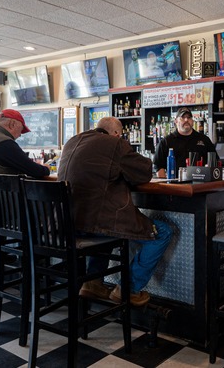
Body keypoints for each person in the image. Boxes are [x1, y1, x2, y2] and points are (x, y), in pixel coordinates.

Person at [58, 116, 172, 306]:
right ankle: (129, 289)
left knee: (104, 224)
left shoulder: (73, 141)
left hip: (69, 224)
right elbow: (144, 172)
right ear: (117, 134)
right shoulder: (115, 144)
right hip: (96, 224)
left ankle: (93, 282)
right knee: (162, 233)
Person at [153, 107, 216, 178]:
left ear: (192, 121)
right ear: (176, 121)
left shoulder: (204, 140)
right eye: (182, 117)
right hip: (175, 183)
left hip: (200, 183)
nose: (186, 120)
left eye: (189, 117)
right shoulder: (166, 142)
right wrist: (167, 183)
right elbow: (158, 166)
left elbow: (214, 162)